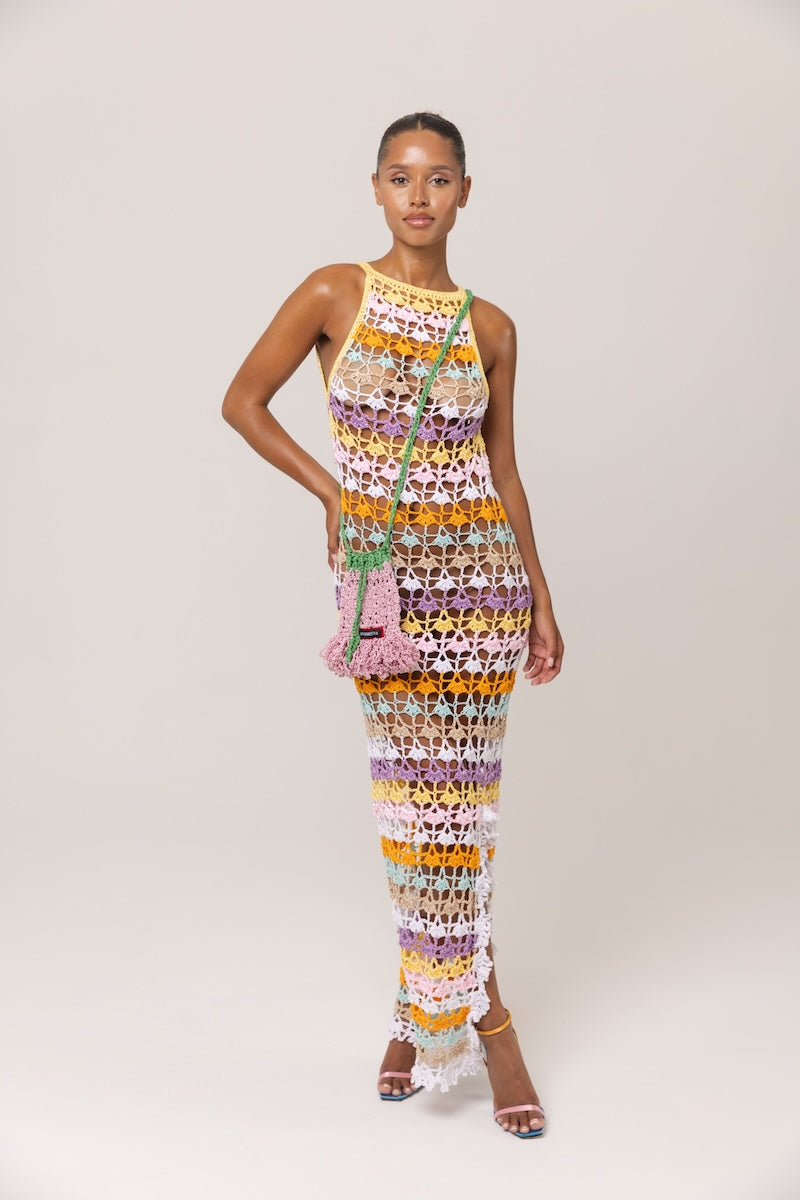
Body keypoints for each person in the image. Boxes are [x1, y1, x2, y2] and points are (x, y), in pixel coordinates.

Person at [221, 112, 564, 1138]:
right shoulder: (337, 291)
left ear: (465, 192)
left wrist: (542, 599)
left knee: (464, 814)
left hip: (480, 590)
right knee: (414, 815)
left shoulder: (491, 326)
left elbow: (504, 471)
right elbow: (243, 402)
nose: (419, 197)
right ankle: (472, 1017)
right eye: (401, 177)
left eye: (439, 178)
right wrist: (334, 492)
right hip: (392, 596)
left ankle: (453, 1021)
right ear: (375, 189)